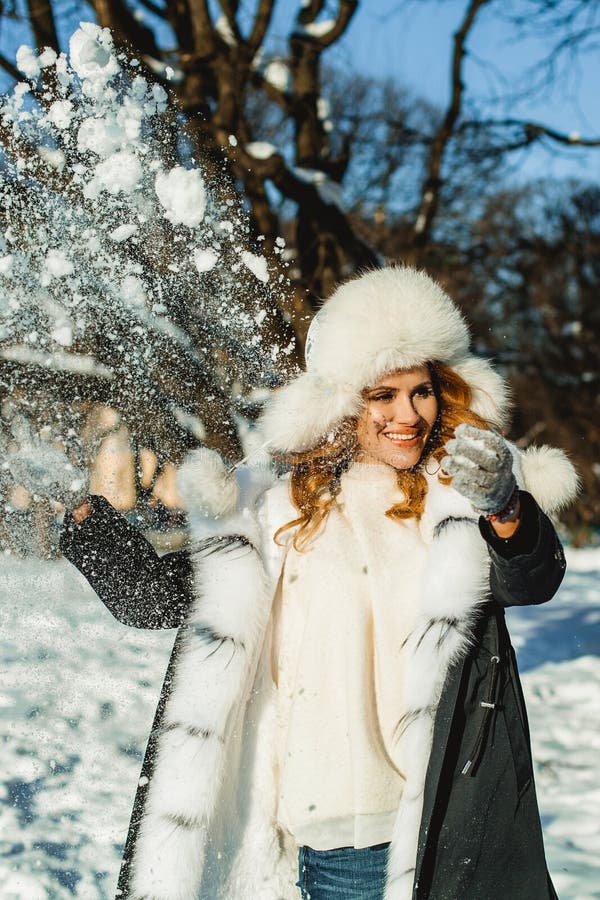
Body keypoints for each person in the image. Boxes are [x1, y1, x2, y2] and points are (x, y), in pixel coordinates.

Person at [7, 266, 578, 900]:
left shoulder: (457, 496)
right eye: (382, 396)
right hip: (313, 841)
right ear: (341, 400)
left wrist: (504, 508)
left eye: (421, 392)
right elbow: (159, 599)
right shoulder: (281, 508)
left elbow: (533, 577)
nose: (407, 415)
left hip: (423, 836)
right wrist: (86, 521)